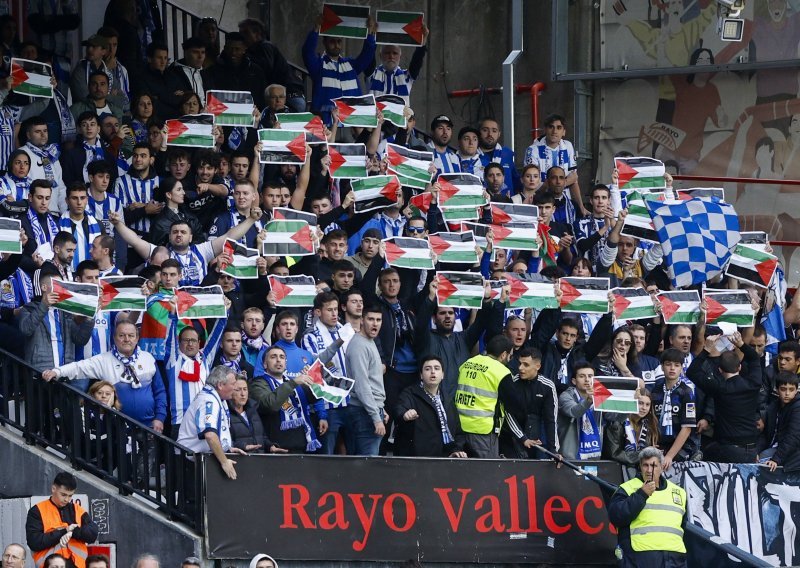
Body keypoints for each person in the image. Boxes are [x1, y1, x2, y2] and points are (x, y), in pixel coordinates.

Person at [42, 321, 167, 434]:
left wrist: (159, 418)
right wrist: (57, 372)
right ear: (114, 338)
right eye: (121, 335)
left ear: (137, 338)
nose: (126, 339)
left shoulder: (148, 358)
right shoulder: (104, 360)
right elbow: (79, 367)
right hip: (118, 429)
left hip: (148, 427)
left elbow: (160, 392)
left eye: (131, 335)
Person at [687, 331, 762, 463]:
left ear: (720, 370)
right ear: (739, 367)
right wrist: (741, 344)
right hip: (751, 449)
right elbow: (754, 358)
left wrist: (707, 349)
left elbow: (692, 372)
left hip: (727, 450)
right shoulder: (753, 384)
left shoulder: (719, 388)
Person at [608, 447, 688, 567]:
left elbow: (683, 527)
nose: (649, 470)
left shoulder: (679, 492)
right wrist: (641, 495)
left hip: (674, 559)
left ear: (661, 467)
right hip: (640, 558)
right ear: (640, 466)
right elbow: (616, 517)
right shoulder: (627, 488)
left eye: (654, 466)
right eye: (645, 465)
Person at [302, 12, 377, 123]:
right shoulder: (319, 65)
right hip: (326, 122)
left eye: (339, 41)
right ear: (324, 42)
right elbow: (307, 52)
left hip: (353, 122)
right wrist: (316, 29)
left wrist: (370, 33)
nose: (336, 45)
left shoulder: (350, 64)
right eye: (332, 41)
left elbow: (367, 55)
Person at [249, 345, 322, 453]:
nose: (278, 360)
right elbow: (270, 405)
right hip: (276, 447)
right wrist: (293, 383)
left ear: (285, 363)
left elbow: (315, 397)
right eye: (273, 357)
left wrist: (314, 378)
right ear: (265, 364)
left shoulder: (294, 382)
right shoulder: (258, 383)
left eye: (282, 357)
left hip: (302, 446)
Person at [177, 366, 246, 479]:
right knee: (194, 497)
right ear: (220, 385)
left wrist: (226, 448)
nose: (235, 388)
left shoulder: (216, 397)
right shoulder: (208, 400)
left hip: (200, 459)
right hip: (191, 463)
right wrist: (224, 462)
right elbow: (210, 435)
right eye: (233, 384)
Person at [455, 335, 517, 458]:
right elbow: (514, 404)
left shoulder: (468, 363)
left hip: (458, 428)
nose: (510, 359)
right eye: (510, 355)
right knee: (485, 473)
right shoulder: (501, 371)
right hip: (482, 431)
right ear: (504, 355)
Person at [394, 355, 467, 458]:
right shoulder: (410, 393)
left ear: (442, 375)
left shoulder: (447, 399)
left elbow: (458, 431)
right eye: (427, 369)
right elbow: (399, 409)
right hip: (417, 459)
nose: (433, 372)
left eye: (437, 368)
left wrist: (456, 450)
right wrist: (405, 414)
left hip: (445, 458)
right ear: (421, 375)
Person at [25, 472, 99, 568]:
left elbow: (92, 534)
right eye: (63, 494)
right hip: (50, 565)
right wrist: (64, 531)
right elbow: (34, 542)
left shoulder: (76, 509)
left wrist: (72, 531)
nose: (67, 499)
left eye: (70, 495)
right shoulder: (37, 511)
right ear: (53, 489)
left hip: (77, 565)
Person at [500, 347, 561, 460]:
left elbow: (551, 420)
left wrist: (553, 450)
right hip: (511, 439)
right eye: (520, 364)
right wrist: (523, 438)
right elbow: (507, 414)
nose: (520, 368)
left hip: (535, 440)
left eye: (526, 365)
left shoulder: (547, 386)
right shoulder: (512, 382)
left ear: (537, 366)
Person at [344, 304, 386, 456]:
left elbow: (372, 381)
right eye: (370, 319)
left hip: (369, 409)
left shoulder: (369, 341)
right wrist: (376, 416)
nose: (375, 323)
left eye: (378, 320)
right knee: (367, 466)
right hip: (364, 413)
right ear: (362, 320)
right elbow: (362, 386)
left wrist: (381, 408)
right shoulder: (359, 346)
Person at [558, 362, 608, 461]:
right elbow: (574, 412)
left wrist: (631, 405)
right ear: (574, 381)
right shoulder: (566, 396)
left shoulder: (600, 396)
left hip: (594, 456)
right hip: (570, 458)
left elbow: (614, 416)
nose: (587, 380)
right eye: (582, 376)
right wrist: (588, 401)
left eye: (590, 376)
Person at [604, 389, 660, 470]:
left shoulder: (648, 426)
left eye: (647, 404)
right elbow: (614, 454)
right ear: (632, 402)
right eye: (640, 403)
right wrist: (645, 453)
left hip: (639, 471)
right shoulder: (617, 423)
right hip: (617, 471)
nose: (644, 408)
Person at [758, 372, 800, 472]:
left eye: (791, 389)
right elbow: (766, 434)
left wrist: (776, 459)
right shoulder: (773, 406)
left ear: (796, 391)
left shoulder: (798, 407)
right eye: (783, 389)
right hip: (776, 447)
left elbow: (793, 437)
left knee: (761, 464)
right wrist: (756, 451)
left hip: (793, 454)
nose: (787, 393)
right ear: (776, 390)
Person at [368, 36, 428, 104]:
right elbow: (369, 55)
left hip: (400, 114)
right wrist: (371, 35)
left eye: (395, 53)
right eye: (387, 53)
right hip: (376, 114)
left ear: (400, 57)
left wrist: (423, 39)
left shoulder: (406, 76)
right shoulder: (373, 74)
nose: (391, 56)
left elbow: (417, 60)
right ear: (380, 55)